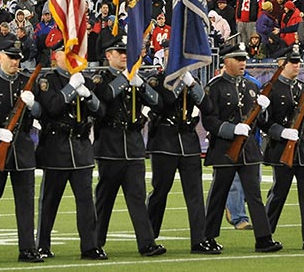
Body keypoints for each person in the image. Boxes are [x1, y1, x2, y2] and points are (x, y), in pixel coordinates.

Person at [201, 43, 282, 253]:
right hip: (225, 149)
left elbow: (261, 122)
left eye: (244, 59)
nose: (243, 63)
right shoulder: (215, 86)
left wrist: (264, 110)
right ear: (226, 61)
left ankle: (264, 238)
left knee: (254, 194)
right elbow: (209, 120)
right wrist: (231, 129)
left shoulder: (251, 86)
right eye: (238, 59)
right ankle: (207, 237)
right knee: (218, 195)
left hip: (248, 150)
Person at [93, 40, 166, 257]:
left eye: (127, 52)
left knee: (137, 197)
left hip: (133, 145)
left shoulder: (135, 79)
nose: (125, 56)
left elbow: (158, 103)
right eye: (120, 52)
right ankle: (95, 243)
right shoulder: (101, 79)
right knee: (105, 199)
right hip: (110, 145)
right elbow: (104, 97)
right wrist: (124, 79)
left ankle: (147, 243)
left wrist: (141, 85)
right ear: (108, 55)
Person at [35, 44, 107, 260]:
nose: (72, 57)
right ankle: (43, 245)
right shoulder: (48, 81)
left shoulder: (83, 78)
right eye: (67, 54)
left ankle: (90, 245)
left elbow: (101, 111)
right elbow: (52, 107)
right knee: (50, 201)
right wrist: (70, 88)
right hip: (57, 148)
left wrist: (88, 96)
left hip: (81, 148)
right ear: (56, 57)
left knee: (86, 202)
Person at [0, 44, 43, 263]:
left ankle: (28, 248)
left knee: (25, 203)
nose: (15, 62)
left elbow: (42, 113)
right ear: (0, 56)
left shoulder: (26, 82)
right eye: (11, 58)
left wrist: (33, 106)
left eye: (18, 59)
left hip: (21, 147)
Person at [146, 45, 216, 254]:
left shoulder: (192, 81)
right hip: (164, 142)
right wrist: (179, 82)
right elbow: (165, 102)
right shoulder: (157, 80)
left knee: (195, 194)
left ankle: (199, 239)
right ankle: (149, 237)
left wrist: (192, 83)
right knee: (160, 191)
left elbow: (208, 107)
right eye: (171, 54)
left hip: (188, 141)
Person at [262, 50, 304, 251]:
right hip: (282, 148)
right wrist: (282, 133)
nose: (297, 66)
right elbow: (265, 122)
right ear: (281, 63)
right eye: (293, 62)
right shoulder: (272, 89)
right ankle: (265, 235)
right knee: (278, 194)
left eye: (299, 62)